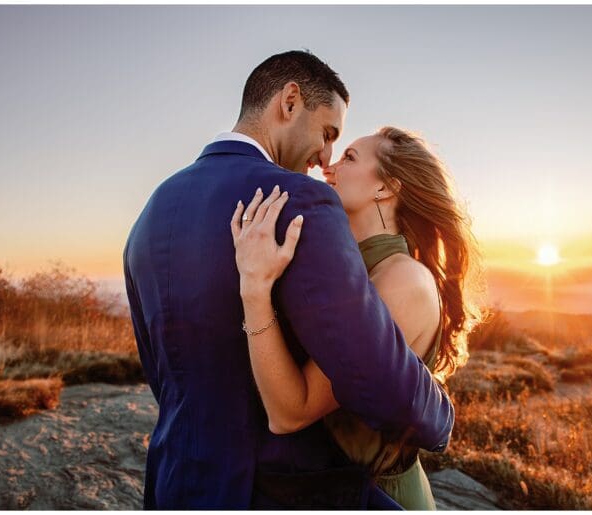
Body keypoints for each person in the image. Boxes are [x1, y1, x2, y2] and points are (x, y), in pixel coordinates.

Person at [123, 50, 454, 509]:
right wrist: (442, 418)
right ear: (290, 101)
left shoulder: (152, 212)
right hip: (277, 487)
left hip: (174, 478)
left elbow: (160, 365)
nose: (326, 158)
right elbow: (373, 373)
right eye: (328, 134)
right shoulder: (298, 200)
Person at [231, 126, 486, 509]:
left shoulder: (400, 280)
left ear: (384, 189)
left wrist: (255, 288)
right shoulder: (353, 269)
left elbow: (291, 412)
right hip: (332, 490)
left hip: (379, 498)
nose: (328, 167)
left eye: (349, 157)